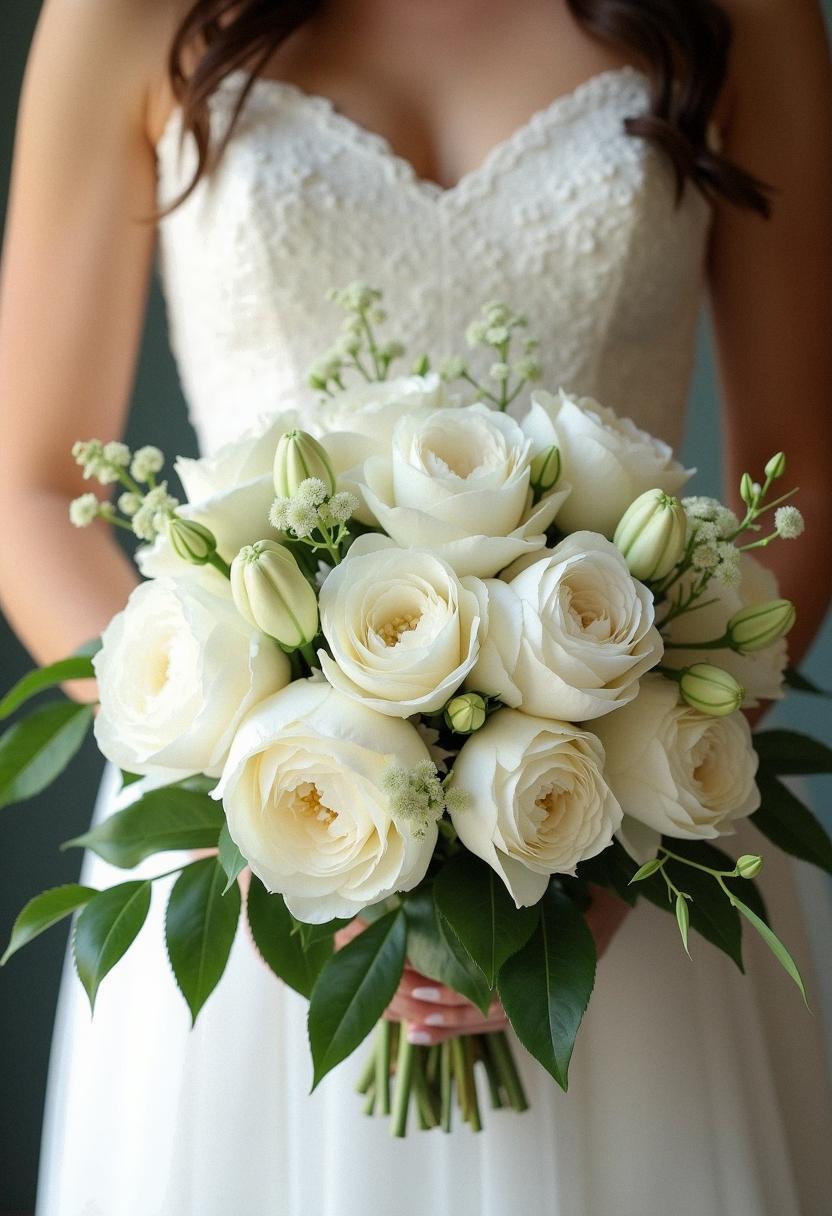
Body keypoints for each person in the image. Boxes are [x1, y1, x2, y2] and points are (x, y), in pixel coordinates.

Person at [0, 0, 831, 1212]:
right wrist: (244, 784)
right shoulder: (123, 14)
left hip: (620, 836)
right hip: (261, 847)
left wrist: (628, 813)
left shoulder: (745, 15)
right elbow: (29, 487)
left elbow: (804, 468)